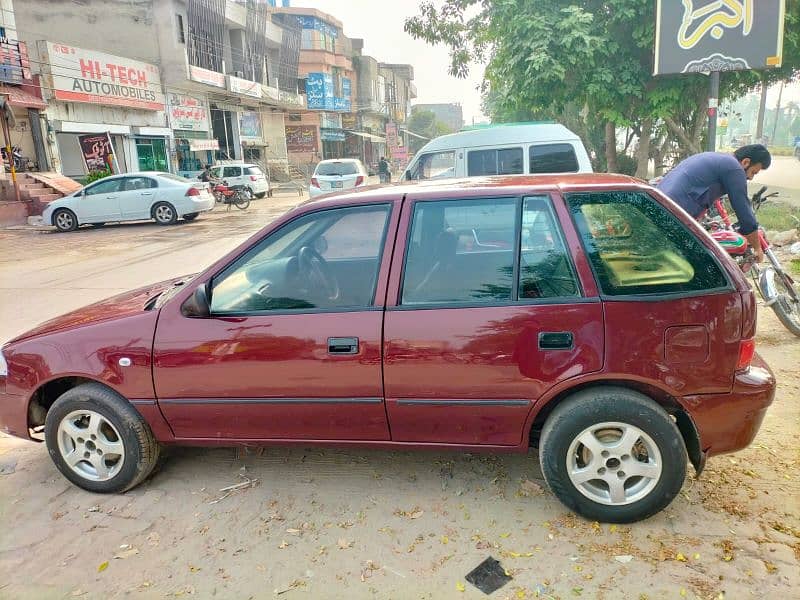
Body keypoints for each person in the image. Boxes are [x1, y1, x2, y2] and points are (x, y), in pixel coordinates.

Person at [656, 144, 771, 263]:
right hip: (671, 214)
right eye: (753, 172)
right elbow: (742, 209)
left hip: (660, 206)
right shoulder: (734, 168)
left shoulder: (720, 159)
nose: (751, 178)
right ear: (746, 162)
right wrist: (757, 247)